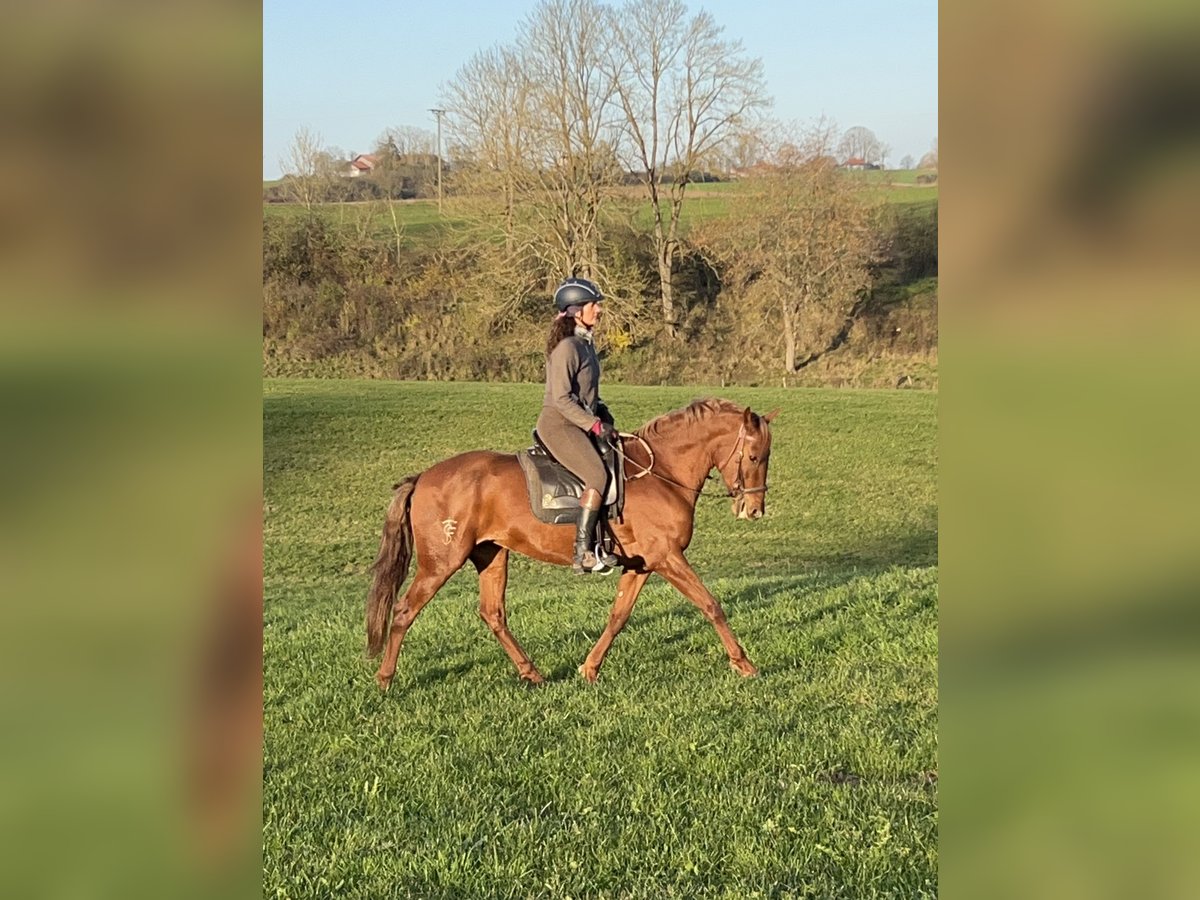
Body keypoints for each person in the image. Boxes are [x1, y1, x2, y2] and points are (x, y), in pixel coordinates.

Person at [537, 277, 621, 575]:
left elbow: (585, 394)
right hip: (559, 426)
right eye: (593, 305)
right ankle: (582, 552)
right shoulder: (568, 348)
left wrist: (602, 413)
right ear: (575, 311)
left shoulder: (586, 344)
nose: (598, 310)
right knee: (597, 475)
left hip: (579, 422)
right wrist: (594, 425)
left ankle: (603, 543)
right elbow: (561, 399)